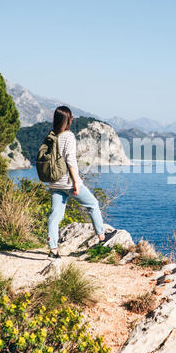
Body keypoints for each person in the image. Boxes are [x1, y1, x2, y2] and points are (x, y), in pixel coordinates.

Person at [47, 106, 117, 259]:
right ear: (68, 119)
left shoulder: (52, 136)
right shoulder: (68, 136)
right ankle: (101, 237)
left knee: (55, 216)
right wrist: (76, 182)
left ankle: (53, 250)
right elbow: (70, 161)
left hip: (54, 182)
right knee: (92, 204)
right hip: (67, 182)